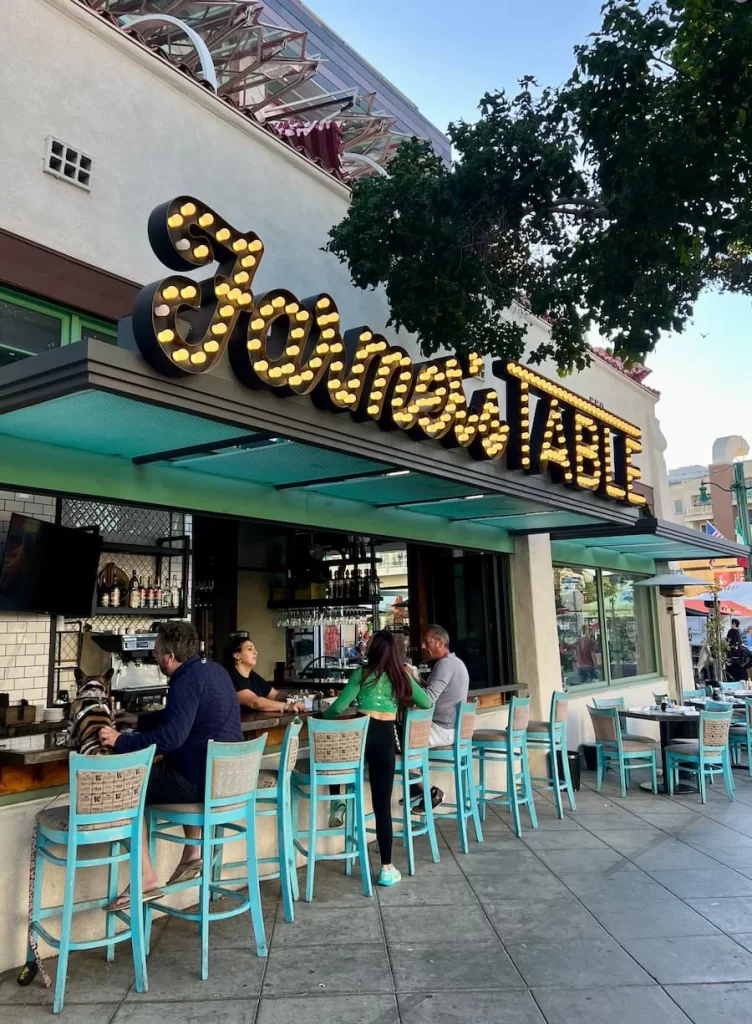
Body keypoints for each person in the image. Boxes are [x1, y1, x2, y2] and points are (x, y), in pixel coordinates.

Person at [98, 621, 242, 907]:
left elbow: (172, 737)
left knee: (129, 784)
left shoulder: (185, 680)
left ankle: (146, 879)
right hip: (227, 783)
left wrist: (119, 741)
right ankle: (191, 853)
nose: (153, 656)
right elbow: (180, 715)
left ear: (170, 657)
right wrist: (139, 721)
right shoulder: (213, 670)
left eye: (156, 651)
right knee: (178, 766)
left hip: (197, 784)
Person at [320, 630, 433, 887]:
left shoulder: (361, 674)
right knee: (381, 805)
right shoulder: (400, 675)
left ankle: (338, 800)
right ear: (395, 652)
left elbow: (338, 708)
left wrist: (321, 720)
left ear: (371, 650)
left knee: (335, 761)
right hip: (385, 737)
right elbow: (426, 702)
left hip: (361, 735)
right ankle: (386, 868)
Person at [411, 624, 470, 812]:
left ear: (440, 642)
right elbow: (433, 690)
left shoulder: (444, 665)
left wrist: (408, 680)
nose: (422, 646)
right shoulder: (456, 663)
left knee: (400, 747)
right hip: (452, 729)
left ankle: (429, 791)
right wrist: (416, 677)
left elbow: (427, 700)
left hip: (442, 730)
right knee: (412, 742)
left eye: (427, 642)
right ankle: (417, 787)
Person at [224, 636, 305, 714]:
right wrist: (286, 706)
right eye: (249, 649)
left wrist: (291, 699)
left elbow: (274, 694)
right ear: (237, 655)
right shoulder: (230, 676)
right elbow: (254, 702)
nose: (255, 652)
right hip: (239, 726)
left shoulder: (253, 676)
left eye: (254, 649)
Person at [726, 618, 748, 683]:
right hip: (741, 656)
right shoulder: (741, 632)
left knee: (733, 674)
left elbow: (728, 642)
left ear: (734, 624)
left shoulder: (731, 631)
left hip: (733, 656)